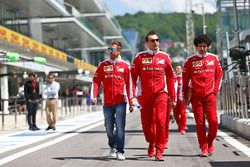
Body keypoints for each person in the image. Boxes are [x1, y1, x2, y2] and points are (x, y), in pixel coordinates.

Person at [130, 31, 176, 161]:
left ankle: (159, 151)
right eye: (152, 40)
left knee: (161, 122)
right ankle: (151, 142)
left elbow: (171, 78)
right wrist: (132, 96)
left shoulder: (165, 57)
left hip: (161, 94)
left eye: (157, 40)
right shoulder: (139, 58)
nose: (155, 42)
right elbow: (132, 79)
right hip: (144, 96)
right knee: (147, 124)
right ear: (147, 43)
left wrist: (173, 98)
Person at [182, 34, 223, 157]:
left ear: (208, 47)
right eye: (200, 46)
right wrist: (184, 97)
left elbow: (219, 75)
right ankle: (203, 147)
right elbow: (185, 80)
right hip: (196, 97)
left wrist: (215, 90)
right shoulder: (190, 61)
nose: (203, 49)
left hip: (210, 95)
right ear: (196, 47)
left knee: (214, 121)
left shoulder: (214, 59)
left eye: (205, 46)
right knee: (200, 123)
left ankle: (210, 142)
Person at [91, 40, 131, 161]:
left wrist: (131, 101)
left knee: (120, 127)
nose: (110, 51)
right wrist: (93, 95)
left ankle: (120, 150)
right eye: (109, 49)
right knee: (109, 128)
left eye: (112, 49)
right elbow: (96, 81)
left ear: (119, 50)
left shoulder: (125, 66)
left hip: (120, 102)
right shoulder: (102, 65)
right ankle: (112, 146)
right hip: (107, 102)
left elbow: (130, 85)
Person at [173, 65, 187, 135]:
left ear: (181, 70)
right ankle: (180, 125)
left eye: (178, 68)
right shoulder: (173, 77)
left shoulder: (184, 77)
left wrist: (187, 98)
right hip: (174, 99)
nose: (177, 70)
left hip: (182, 99)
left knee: (182, 113)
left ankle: (182, 128)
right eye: (176, 68)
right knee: (175, 115)